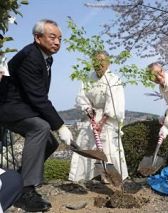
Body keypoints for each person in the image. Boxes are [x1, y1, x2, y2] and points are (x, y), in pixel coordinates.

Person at [0, 19, 73, 212]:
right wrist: (60, 125)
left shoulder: (45, 58)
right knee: (40, 127)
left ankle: (17, 182)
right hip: (8, 107)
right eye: (52, 37)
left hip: (24, 107)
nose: (57, 42)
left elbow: (37, 97)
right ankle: (25, 191)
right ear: (37, 37)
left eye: (60, 38)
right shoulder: (29, 56)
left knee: (51, 142)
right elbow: (38, 97)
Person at [69, 51, 128, 182]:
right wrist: (89, 113)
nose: (99, 64)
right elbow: (82, 97)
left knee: (108, 147)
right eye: (96, 61)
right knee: (86, 143)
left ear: (108, 63)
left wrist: (102, 122)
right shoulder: (87, 78)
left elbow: (114, 103)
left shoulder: (114, 79)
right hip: (91, 115)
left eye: (102, 61)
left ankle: (112, 178)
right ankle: (86, 177)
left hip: (108, 118)